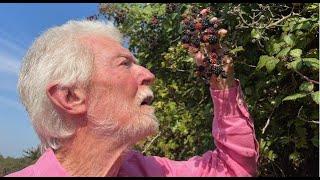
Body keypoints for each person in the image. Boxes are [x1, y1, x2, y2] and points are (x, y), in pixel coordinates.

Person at [6, 20, 259, 177]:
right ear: (71, 97)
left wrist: (221, 81)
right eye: (124, 64)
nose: (149, 75)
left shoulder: (152, 172)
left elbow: (232, 169)